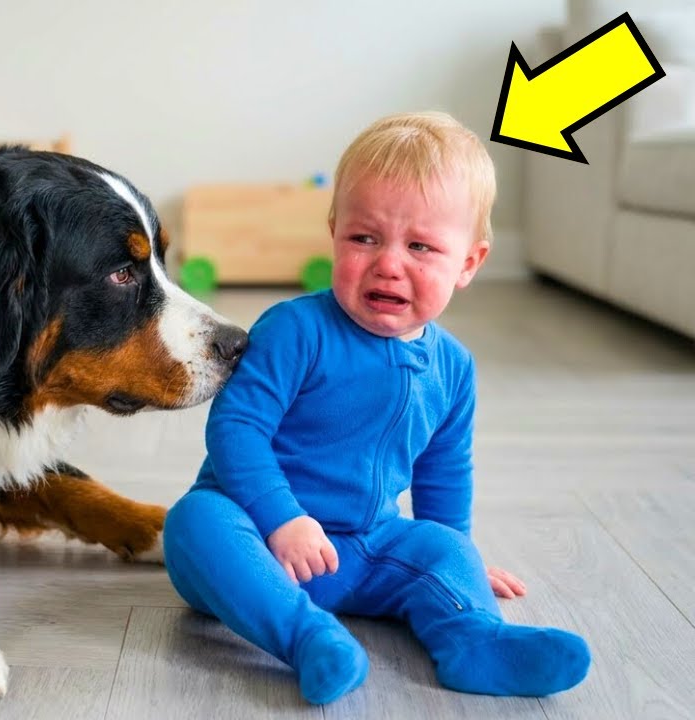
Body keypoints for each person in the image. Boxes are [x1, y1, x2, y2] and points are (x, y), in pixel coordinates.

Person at [162, 111, 591, 705]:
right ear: (335, 231)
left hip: (362, 549)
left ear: (468, 263)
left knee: (441, 548)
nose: (389, 262)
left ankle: (475, 638)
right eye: (364, 238)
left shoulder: (454, 368)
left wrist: (457, 565)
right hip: (261, 541)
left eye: (421, 246)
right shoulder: (295, 330)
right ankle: (309, 638)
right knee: (194, 524)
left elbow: (444, 473)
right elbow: (237, 428)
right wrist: (282, 519)